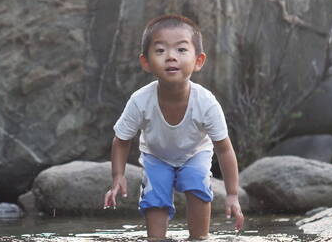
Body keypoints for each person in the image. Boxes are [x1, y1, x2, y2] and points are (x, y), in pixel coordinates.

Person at [103, 14, 244, 240]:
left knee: (196, 181)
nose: (170, 57)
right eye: (160, 51)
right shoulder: (140, 101)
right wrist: (117, 175)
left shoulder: (206, 103)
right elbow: (121, 140)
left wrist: (232, 194)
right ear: (146, 62)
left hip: (195, 153)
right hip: (156, 156)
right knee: (155, 197)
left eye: (181, 50)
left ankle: (199, 238)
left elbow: (224, 149)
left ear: (198, 60)